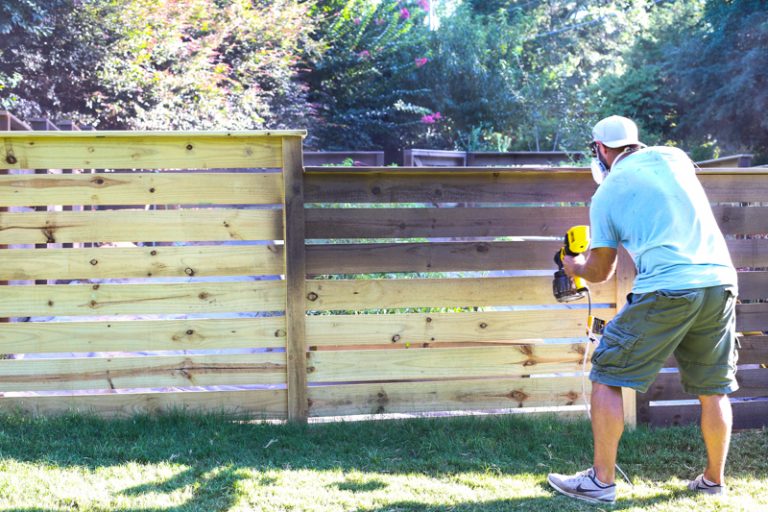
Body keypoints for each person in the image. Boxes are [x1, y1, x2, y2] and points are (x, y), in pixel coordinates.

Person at [546, 115, 739, 505]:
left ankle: (600, 483)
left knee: (607, 372)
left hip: (668, 287)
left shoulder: (606, 193)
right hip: (720, 282)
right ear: (634, 141)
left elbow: (600, 270)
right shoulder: (676, 157)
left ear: (600, 149)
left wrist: (574, 266)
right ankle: (713, 481)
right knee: (713, 387)